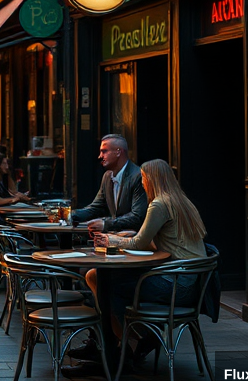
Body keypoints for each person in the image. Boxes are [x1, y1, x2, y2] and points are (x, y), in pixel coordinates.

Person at [91, 159, 207, 362]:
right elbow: (160, 241)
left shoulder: (159, 204)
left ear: (152, 180)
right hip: (191, 283)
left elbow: (138, 244)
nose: (143, 183)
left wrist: (111, 239)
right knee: (104, 279)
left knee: (105, 284)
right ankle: (140, 338)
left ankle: (132, 344)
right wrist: (129, 237)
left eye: (144, 178)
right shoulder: (181, 200)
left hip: (175, 285)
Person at [71, 134, 148, 233]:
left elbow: (137, 217)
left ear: (118, 152)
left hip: (135, 240)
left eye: (104, 151)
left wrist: (105, 224)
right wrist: (71, 215)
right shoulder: (107, 176)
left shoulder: (138, 177)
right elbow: (96, 207)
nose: (100, 156)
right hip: (114, 238)